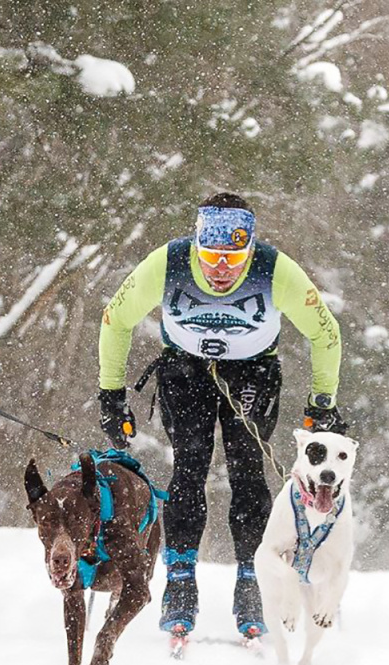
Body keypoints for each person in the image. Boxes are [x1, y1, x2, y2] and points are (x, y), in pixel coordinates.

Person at [97, 193, 345, 642]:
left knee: (248, 473)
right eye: (211, 258)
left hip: (253, 372)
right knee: (188, 468)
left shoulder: (274, 270)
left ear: (251, 250)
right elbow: (116, 318)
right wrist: (111, 395)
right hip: (185, 369)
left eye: (234, 259)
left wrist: (322, 404)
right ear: (197, 247)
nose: (221, 270)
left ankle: (252, 583)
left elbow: (325, 332)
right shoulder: (168, 263)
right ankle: (180, 582)